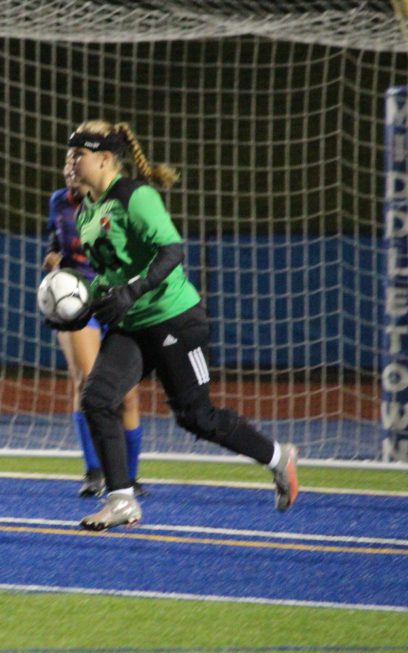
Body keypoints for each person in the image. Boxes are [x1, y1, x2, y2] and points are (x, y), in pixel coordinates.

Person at [62, 119, 299, 531]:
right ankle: (121, 500)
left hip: (175, 319)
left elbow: (172, 250)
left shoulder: (136, 197)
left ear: (104, 159)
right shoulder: (86, 211)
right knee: (97, 398)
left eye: (77, 154)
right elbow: (109, 274)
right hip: (133, 326)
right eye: (68, 154)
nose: (69, 162)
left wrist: (132, 292)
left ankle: (279, 457)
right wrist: (83, 305)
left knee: (195, 415)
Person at [43, 155, 145, 497]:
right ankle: (95, 472)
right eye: (66, 162)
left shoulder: (118, 202)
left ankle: (129, 476)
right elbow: (54, 241)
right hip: (76, 301)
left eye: (76, 161)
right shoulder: (58, 201)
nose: (70, 168)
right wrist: (53, 257)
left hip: (116, 301)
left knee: (128, 394)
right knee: (87, 383)